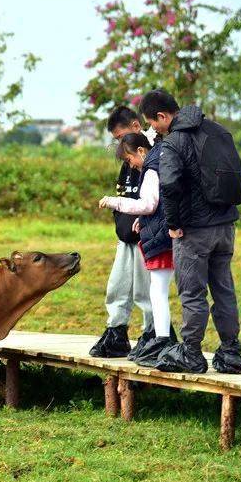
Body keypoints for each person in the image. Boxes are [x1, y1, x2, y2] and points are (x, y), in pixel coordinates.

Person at [138, 90, 241, 374]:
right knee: (224, 289)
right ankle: (231, 352)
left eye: (152, 123)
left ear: (162, 116)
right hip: (225, 225)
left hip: (195, 230)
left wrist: (173, 225)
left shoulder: (174, 142)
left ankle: (191, 353)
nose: (153, 130)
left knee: (192, 293)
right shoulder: (217, 130)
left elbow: (170, 186)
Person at [98, 132, 178, 366]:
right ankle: (160, 341)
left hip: (162, 240)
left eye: (130, 159)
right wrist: (144, 221)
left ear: (141, 151)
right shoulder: (159, 162)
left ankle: (160, 340)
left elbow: (149, 204)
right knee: (157, 291)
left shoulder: (152, 168)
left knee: (156, 293)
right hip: (158, 235)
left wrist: (115, 201)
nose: (130, 165)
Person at [88, 107, 153, 358]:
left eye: (120, 136)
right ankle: (116, 331)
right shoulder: (128, 157)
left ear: (136, 127)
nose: (119, 145)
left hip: (146, 235)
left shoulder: (152, 153)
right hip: (126, 234)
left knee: (145, 291)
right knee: (117, 284)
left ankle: (153, 334)